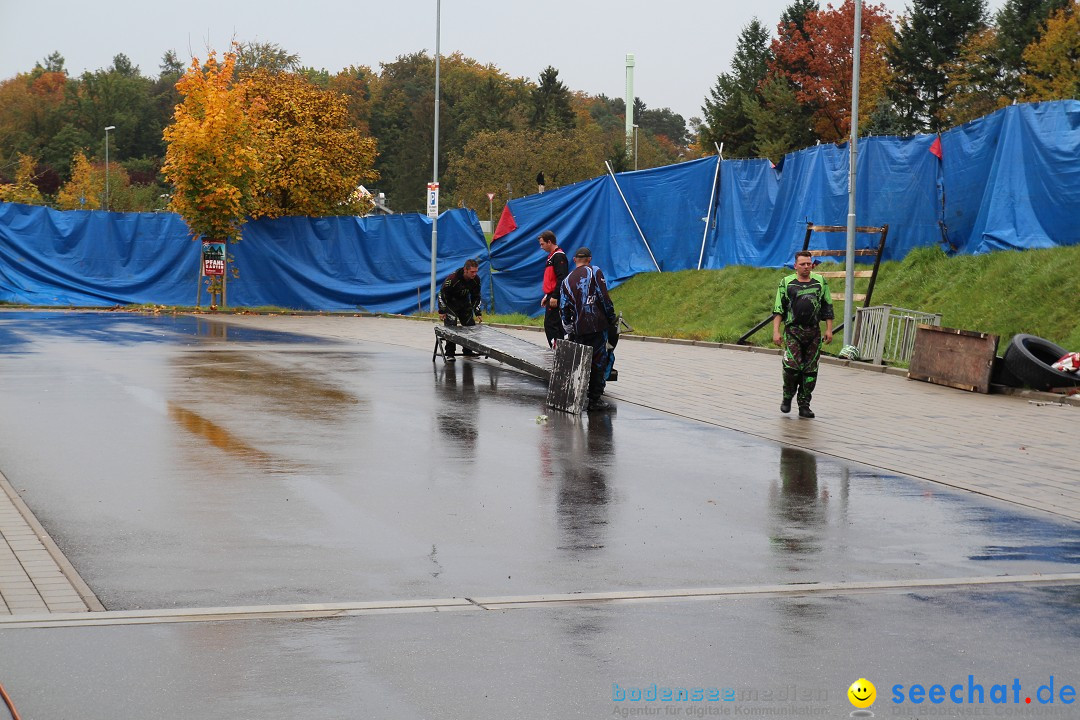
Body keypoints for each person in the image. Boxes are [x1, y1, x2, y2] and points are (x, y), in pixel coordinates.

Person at [772, 250, 834, 418]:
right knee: (792, 367)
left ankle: (804, 404)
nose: (806, 267)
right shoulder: (786, 283)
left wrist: (829, 329)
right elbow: (779, 309)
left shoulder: (820, 282)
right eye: (803, 264)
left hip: (813, 332)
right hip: (793, 331)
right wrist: (776, 331)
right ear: (795, 266)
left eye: (809, 264)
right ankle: (787, 395)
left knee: (810, 371)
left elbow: (827, 306)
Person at [560, 247, 618, 411]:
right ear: (589, 259)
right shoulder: (594, 271)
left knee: (581, 362)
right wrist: (610, 316)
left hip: (579, 328)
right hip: (597, 325)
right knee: (598, 362)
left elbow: (563, 308)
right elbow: (603, 296)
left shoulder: (566, 280)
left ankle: (576, 397)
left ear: (574, 260)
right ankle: (594, 399)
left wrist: (570, 328)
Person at [438, 259, 483, 361]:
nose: (474, 274)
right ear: (465, 270)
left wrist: (477, 312)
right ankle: (450, 353)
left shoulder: (476, 280)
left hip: (464, 304)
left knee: (470, 326)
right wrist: (442, 310)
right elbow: (442, 294)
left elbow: (476, 296)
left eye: (476, 271)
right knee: (451, 328)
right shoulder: (452, 279)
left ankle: (468, 352)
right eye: (472, 272)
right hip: (450, 305)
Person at [538, 230, 570, 348]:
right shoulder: (551, 257)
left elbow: (562, 278)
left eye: (542, 244)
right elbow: (551, 279)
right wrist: (547, 295)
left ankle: (558, 349)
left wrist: (555, 296)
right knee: (554, 324)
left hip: (556, 296)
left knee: (551, 324)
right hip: (551, 294)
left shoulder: (559, 256)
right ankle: (559, 349)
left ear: (549, 242)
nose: (541, 247)